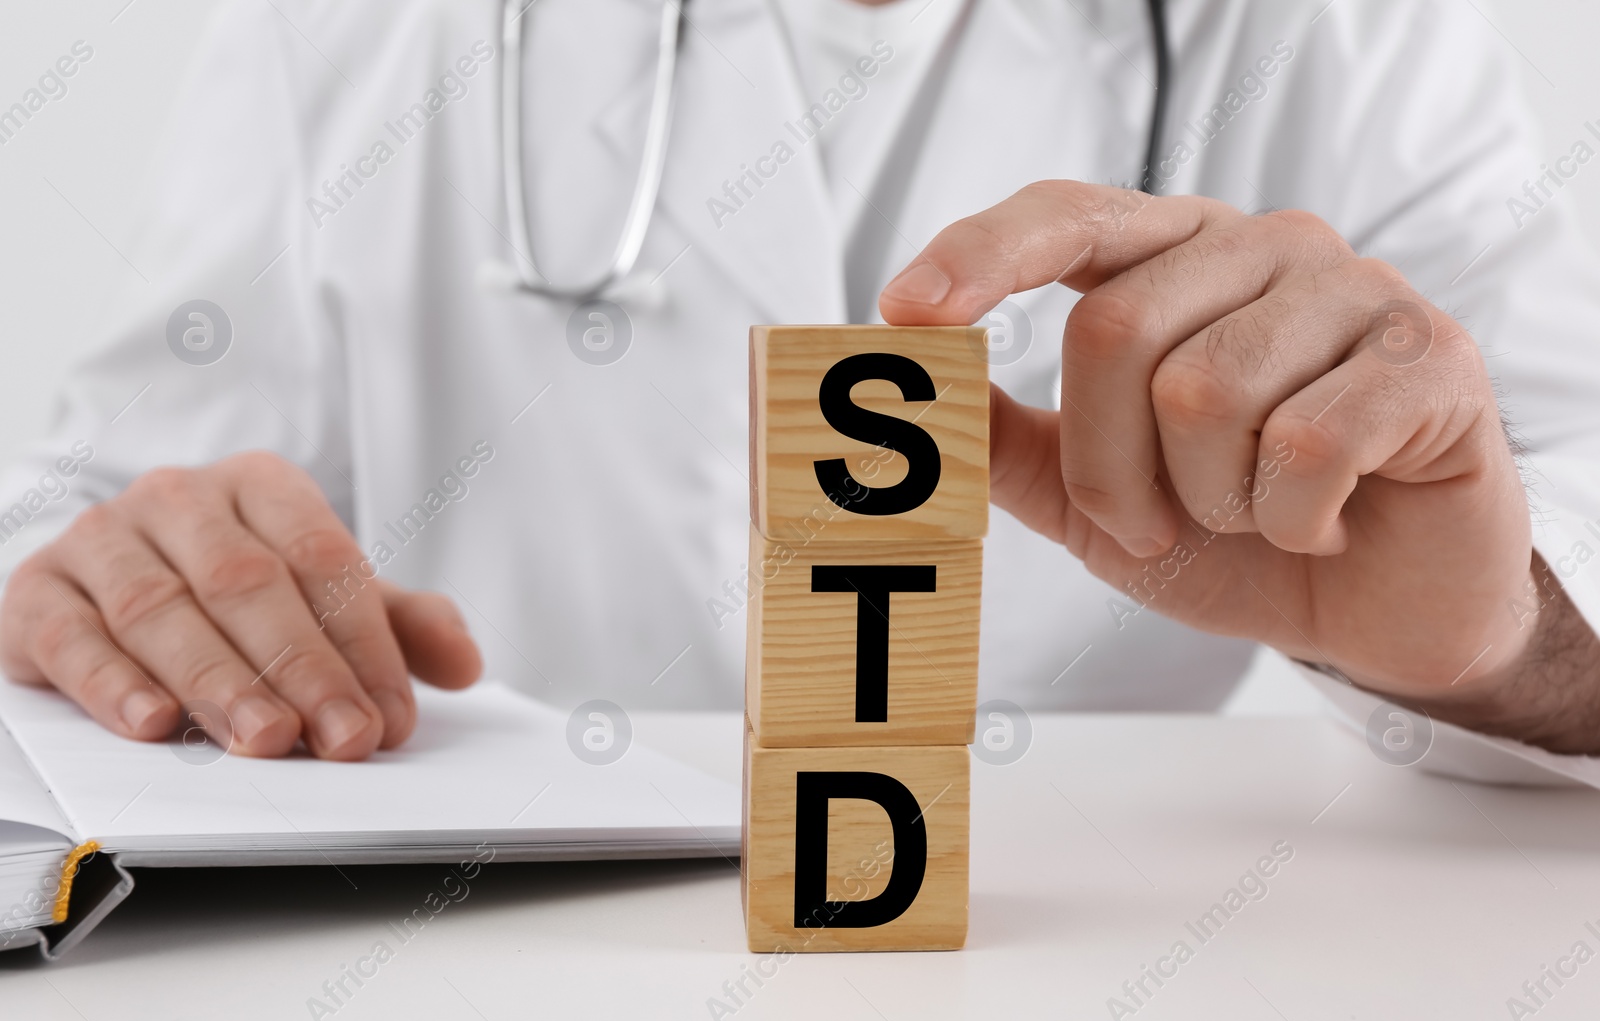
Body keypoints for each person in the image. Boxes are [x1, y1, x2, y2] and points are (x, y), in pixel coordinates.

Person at [1, 0, 1597, 763]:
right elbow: (94, 506)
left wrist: (1501, 637)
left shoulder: (1359, 31)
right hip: (498, 974)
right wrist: (126, 580)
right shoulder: (336, 31)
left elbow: (1570, 524)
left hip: (1089, 985)